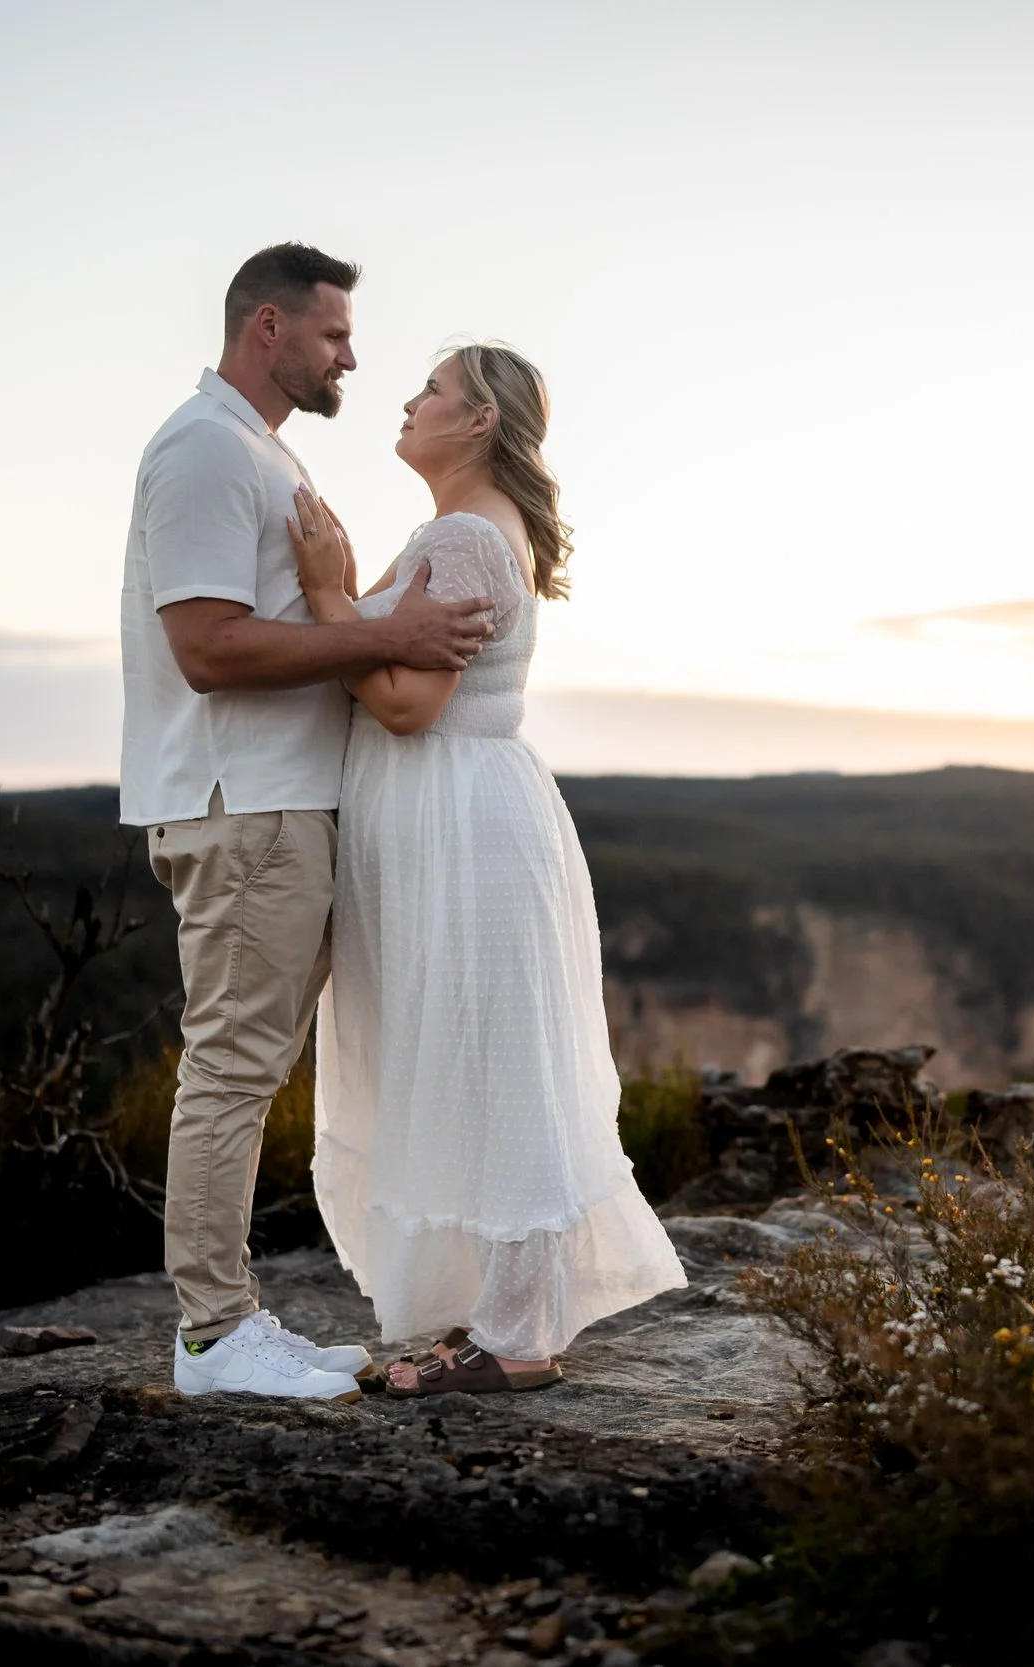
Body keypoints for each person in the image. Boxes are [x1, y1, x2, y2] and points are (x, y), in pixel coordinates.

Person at [120, 243, 495, 1401]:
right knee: (232, 1068)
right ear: (267, 328)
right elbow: (208, 648)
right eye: (334, 335)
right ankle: (214, 1337)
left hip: (280, 808)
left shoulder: (255, 450)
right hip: (246, 808)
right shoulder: (203, 448)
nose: (350, 357)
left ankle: (231, 1323)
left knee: (247, 1064)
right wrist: (385, 635)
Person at [291, 343, 686, 1395]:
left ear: (474, 424)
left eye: (430, 391)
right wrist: (342, 604)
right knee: (474, 1061)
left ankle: (516, 1338)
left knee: (498, 1069)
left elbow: (409, 705)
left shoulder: (465, 536)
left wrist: (329, 596)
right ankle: (494, 1316)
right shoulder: (455, 529)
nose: (408, 402)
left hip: (459, 819)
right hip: (452, 817)